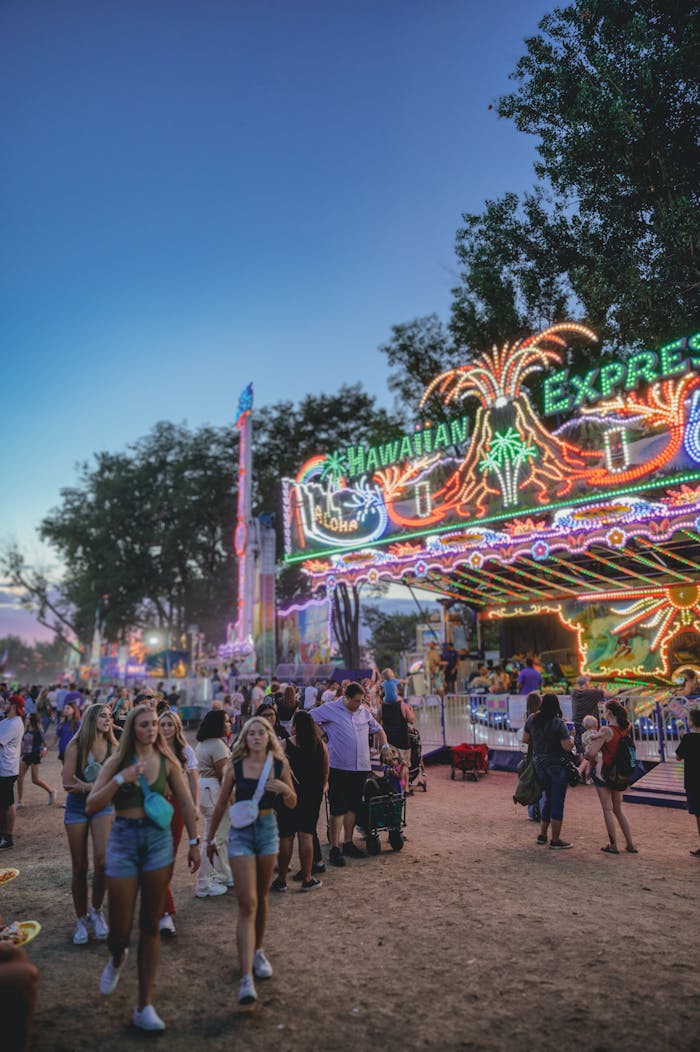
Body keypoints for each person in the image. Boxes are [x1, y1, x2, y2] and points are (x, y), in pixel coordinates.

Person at [86, 705, 200, 1032]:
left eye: (155, 724)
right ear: (132, 729)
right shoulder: (116, 762)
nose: (152, 729)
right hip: (122, 839)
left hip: (157, 841)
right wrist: (122, 778)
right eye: (145, 725)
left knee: (150, 924)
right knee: (120, 929)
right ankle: (117, 955)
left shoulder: (167, 762)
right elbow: (93, 804)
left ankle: (144, 1004)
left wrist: (194, 842)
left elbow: (186, 803)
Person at [206, 716, 297, 1005]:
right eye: (252, 733)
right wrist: (209, 839)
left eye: (261, 732)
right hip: (242, 834)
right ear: (245, 738)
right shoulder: (235, 767)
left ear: (269, 736)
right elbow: (221, 803)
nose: (256, 736)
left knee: (262, 897)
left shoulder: (279, 765)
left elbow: (293, 801)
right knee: (247, 903)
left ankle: (258, 950)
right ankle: (246, 977)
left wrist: (284, 790)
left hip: (268, 830)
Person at [311, 682, 387, 866]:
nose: (359, 704)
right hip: (338, 767)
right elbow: (308, 718)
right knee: (338, 807)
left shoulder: (364, 711)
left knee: (353, 806)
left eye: (361, 701)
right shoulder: (330, 708)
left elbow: (378, 729)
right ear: (346, 697)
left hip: (360, 767)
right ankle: (335, 848)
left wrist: (385, 746)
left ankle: (348, 842)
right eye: (356, 701)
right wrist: (321, 736)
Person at [62, 703, 118, 944]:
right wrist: (97, 786)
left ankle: (96, 911)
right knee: (80, 866)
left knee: (103, 861)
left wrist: (88, 786)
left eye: (109, 716)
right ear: (92, 719)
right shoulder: (76, 746)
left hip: (102, 806)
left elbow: (117, 781)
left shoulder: (114, 747)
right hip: (77, 807)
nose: (108, 719)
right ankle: (81, 918)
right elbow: (67, 783)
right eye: (103, 716)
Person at [273, 709, 328, 892]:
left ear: (295, 726)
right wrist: (320, 790)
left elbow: (276, 771)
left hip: (288, 795)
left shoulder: (284, 745)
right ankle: (307, 878)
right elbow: (325, 773)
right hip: (311, 796)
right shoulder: (320, 745)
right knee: (307, 836)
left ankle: (281, 880)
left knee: (286, 837)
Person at [158, 710, 200, 933]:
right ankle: (164, 911)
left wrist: (195, 805)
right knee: (157, 858)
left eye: (169, 725)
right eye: (162, 725)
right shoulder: (152, 748)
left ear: (176, 727)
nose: (165, 729)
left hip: (176, 806)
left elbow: (193, 780)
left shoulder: (185, 751)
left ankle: (162, 909)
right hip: (155, 805)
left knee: (169, 856)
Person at [522, 693, 575, 849]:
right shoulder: (558, 723)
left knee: (548, 798)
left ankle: (543, 835)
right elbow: (567, 746)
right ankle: (555, 840)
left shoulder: (532, 719)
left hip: (539, 764)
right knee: (557, 801)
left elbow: (525, 739)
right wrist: (572, 737)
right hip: (556, 766)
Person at [585, 700, 638, 855]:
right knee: (618, 810)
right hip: (620, 772)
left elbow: (592, 753)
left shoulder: (606, 729)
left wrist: (586, 750)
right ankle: (630, 844)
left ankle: (613, 844)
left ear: (609, 712)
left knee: (607, 810)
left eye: (604, 710)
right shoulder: (624, 728)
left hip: (605, 773)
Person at [194, 710, 233, 898]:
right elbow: (224, 776)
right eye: (226, 721)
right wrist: (232, 799)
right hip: (214, 790)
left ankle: (215, 875)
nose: (229, 723)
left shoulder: (203, 743)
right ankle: (206, 880)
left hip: (205, 788)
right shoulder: (217, 745)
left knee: (215, 836)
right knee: (215, 837)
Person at [0, 696, 25, 850]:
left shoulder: (15, 723)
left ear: (14, 706)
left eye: (7, 703)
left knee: (7, 804)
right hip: (3, 768)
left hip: (7, 769)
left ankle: (7, 837)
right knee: (2, 803)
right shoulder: (6, 721)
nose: (4, 705)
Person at [676, 708, 700, 856]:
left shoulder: (688, 738)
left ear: (692, 721)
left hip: (693, 780)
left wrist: (683, 738)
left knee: (698, 813)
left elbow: (678, 756)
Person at [17, 714, 54, 806]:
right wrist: (18, 755)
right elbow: (23, 744)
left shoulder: (38, 732)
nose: (26, 719)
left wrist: (44, 751)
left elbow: (45, 744)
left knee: (35, 780)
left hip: (34, 756)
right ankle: (20, 801)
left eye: (28, 718)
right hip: (26, 756)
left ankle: (51, 791)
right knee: (19, 778)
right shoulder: (26, 731)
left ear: (32, 720)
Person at [571, 675, 604, 753]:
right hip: (590, 725)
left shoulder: (574, 692)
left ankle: (581, 763)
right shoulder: (593, 692)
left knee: (579, 749)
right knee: (590, 749)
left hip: (576, 723)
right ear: (586, 683)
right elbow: (609, 694)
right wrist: (599, 688)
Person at [577, 715, 601, 784]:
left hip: (587, 753)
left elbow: (583, 744)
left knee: (589, 765)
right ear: (595, 725)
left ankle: (587, 778)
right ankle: (599, 775)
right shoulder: (596, 733)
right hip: (596, 752)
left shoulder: (583, 734)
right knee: (600, 761)